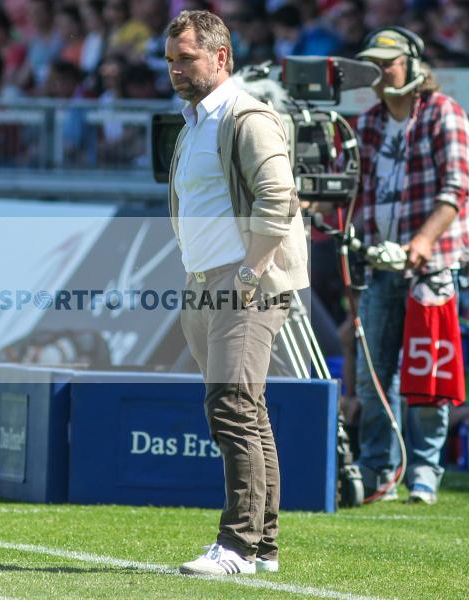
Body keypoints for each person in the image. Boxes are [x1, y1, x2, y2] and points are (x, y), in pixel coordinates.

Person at [165, 10, 309, 576]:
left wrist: (249, 275)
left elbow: (279, 198)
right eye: (171, 60)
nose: (176, 69)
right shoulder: (192, 123)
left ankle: (238, 546)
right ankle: (263, 546)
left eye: (187, 58)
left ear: (221, 56)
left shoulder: (246, 116)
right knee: (247, 410)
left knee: (232, 408)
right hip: (206, 282)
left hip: (242, 284)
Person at [354, 27, 469, 505]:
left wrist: (424, 240)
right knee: (373, 374)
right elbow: (352, 190)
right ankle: (378, 470)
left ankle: (424, 470)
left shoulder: (444, 113)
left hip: (434, 265)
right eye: (374, 64)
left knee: (428, 370)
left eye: (388, 62)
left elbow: (456, 188)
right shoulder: (367, 122)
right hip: (378, 262)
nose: (380, 71)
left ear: (412, 63)